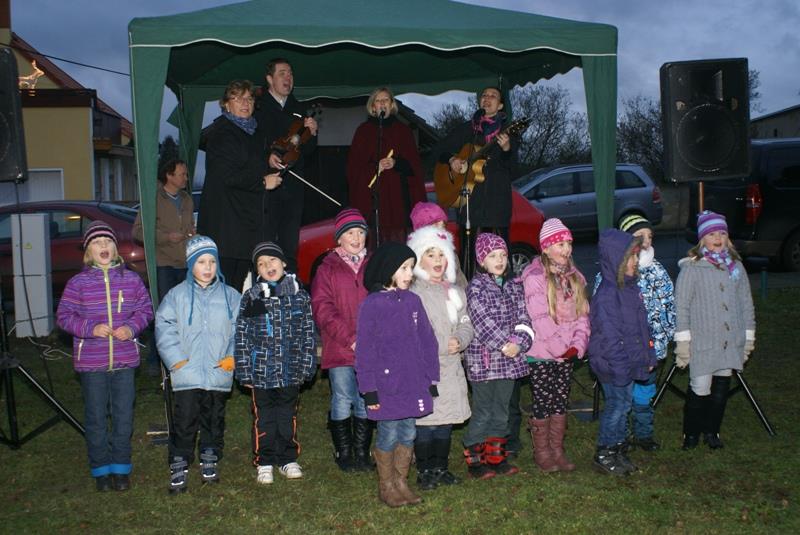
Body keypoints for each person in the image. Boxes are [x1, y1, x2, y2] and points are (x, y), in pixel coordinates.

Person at [56, 221, 153, 492]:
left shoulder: (131, 279)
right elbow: (63, 317)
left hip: (124, 361)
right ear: (88, 252)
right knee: (96, 416)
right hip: (91, 363)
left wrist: (131, 327)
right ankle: (100, 468)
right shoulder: (78, 283)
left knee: (123, 415)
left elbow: (145, 310)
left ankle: (121, 468)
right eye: (97, 243)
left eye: (108, 242)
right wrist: (90, 329)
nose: (104, 247)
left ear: (116, 248)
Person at [355, 242, 439, 508]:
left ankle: (402, 482)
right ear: (387, 269)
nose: (408, 274)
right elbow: (365, 350)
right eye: (403, 268)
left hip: (413, 382)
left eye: (411, 268)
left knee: (408, 432)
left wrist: (430, 378)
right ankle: (387, 485)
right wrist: (369, 389)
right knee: (389, 433)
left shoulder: (413, 301)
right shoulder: (373, 305)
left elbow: (428, 341)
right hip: (386, 385)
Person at [155, 235, 241, 494]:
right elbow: (164, 326)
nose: (207, 267)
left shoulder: (230, 296)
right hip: (186, 372)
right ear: (191, 264)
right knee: (185, 419)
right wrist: (176, 359)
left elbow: (240, 329)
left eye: (212, 261)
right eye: (201, 262)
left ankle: (210, 456)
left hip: (218, 371)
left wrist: (232, 355)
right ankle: (179, 461)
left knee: (214, 417)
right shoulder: (176, 296)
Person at [235, 242, 316, 484]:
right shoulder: (252, 297)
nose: (268, 266)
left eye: (272, 261)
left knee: (287, 415)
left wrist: (307, 365)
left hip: (291, 371)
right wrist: (244, 369)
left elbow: (308, 334)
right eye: (261, 263)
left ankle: (287, 458)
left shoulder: (299, 297)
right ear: (256, 271)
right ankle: (265, 460)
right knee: (265, 417)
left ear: (284, 263)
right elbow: (242, 335)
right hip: (261, 372)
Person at [674, 211, 755, 450]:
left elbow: (746, 303)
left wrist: (747, 336)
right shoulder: (692, 269)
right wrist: (684, 342)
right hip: (703, 343)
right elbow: (682, 306)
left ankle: (712, 431)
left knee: (721, 389)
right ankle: (691, 433)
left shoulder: (736, 267)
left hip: (729, 341)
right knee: (700, 388)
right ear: (702, 239)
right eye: (711, 234)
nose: (717, 238)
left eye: (722, 233)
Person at [197, 79, 282, 291]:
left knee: (237, 287)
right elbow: (225, 175)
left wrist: (268, 159)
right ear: (226, 104)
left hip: (245, 225)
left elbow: (249, 162)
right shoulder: (221, 133)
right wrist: (263, 181)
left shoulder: (253, 132)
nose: (245, 103)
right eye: (238, 98)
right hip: (226, 226)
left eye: (249, 98)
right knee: (223, 287)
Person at [521, 218, 590, 472]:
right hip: (542, 353)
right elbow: (539, 319)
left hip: (566, 353)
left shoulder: (575, 278)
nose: (566, 249)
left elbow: (583, 316)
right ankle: (542, 452)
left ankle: (557, 450)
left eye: (568, 243)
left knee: (560, 400)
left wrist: (577, 345)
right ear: (546, 248)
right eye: (560, 244)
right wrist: (561, 347)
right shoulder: (535, 277)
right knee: (543, 400)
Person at [407, 226, 474, 490]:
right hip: (425, 369)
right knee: (427, 422)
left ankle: (440, 467)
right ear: (419, 259)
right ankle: (424, 470)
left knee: (446, 421)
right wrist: (437, 346)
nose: (437, 260)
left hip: (451, 367)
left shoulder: (454, 291)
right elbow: (412, 332)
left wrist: (461, 339)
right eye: (430, 254)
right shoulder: (414, 293)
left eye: (441, 255)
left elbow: (466, 321)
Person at [462, 233, 533, 479]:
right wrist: (504, 344)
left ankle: (496, 456)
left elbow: (524, 317)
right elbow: (482, 321)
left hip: (510, 360)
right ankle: (475, 459)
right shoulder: (476, 288)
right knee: (484, 410)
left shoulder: (515, 285)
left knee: (502, 410)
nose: (500, 260)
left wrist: (520, 343)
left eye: (503, 255)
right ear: (482, 260)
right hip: (485, 361)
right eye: (493, 256)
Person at [589, 229, 656, 476]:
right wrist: (620, 369)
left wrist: (647, 357)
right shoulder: (607, 296)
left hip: (627, 363)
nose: (636, 262)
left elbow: (641, 328)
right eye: (631, 257)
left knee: (624, 404)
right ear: (617, 261)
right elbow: (609, 338)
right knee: (616, 407)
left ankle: (618, 448)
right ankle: (604, 451)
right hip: (612, 365)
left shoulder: (630, 289)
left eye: (637, 256)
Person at [311, 208, 373, 473]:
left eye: (360, 232)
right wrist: (350, 338)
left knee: (365, 397)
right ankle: (344, 450)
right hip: (339, 345)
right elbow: (322, 307)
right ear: (339, 238)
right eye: (350, 233)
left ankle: (362, 451)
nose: (356, 238)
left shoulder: (374, 264)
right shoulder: (328, 267)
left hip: (370, 347)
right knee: (342, 397)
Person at [436, 87, 516, 278]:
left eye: (493, 96)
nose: (487, 98)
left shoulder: (509, 132)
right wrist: (452, 160)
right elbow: (440, 150)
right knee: (470, 259)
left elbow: (514, 169)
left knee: (497, 259)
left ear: (501, 105)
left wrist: (506, 150)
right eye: (484, 96)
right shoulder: (468, 129)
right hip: (470, 206)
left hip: (496, 208)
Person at [617, 214, 675, 451]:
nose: (647, 240)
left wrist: (667, 334)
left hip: (652, 347)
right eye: (640, 236)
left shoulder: (659, 271)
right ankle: (622, 435)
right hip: (627, 348)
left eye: (650, 236)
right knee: (624, 396)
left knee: (644, 394)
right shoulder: (618, 272)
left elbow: (669, 305)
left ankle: (644, 434)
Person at [254, 58, 319, 272]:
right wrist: (266, 157)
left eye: (290, 74)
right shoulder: (258, 108)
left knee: (290, 245)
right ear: (269, 79)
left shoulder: (299, 108)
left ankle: (290, 290)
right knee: (267, 244)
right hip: (267, 189)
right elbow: (253, 144)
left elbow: (306, 151)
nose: (288, 78)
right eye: (282, 73)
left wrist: (312, 133)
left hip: (293, 188)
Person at [132, 158, 194, 375]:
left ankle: (181, 357)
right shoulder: (152, 199)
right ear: (169, 175)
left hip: (185, 264)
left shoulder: (187, 199)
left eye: (185, 174)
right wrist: (167, 237)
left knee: (184, 313)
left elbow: (189, 228)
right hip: (163, 264)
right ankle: (155, 358)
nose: (185, 178)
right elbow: (138, 231)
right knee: (164, 314)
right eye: (181, 174)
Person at [347, 87, 426, 245]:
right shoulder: (363, 131)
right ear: (373, 106)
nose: (382, 103)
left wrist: (396, 163)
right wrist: (375, 167)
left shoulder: (403, 131)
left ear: (391, 105)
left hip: (398, 203)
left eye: (386, 100)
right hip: (373, 202)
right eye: (378, 100)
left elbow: (414, 167)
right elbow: (353, 168)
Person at [409, 201, 468, 288]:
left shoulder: (451, 255)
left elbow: (462, 284)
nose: (441, 229)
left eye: (443, 225)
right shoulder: (413, 258)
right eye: (436, 224)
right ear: (422, 229)